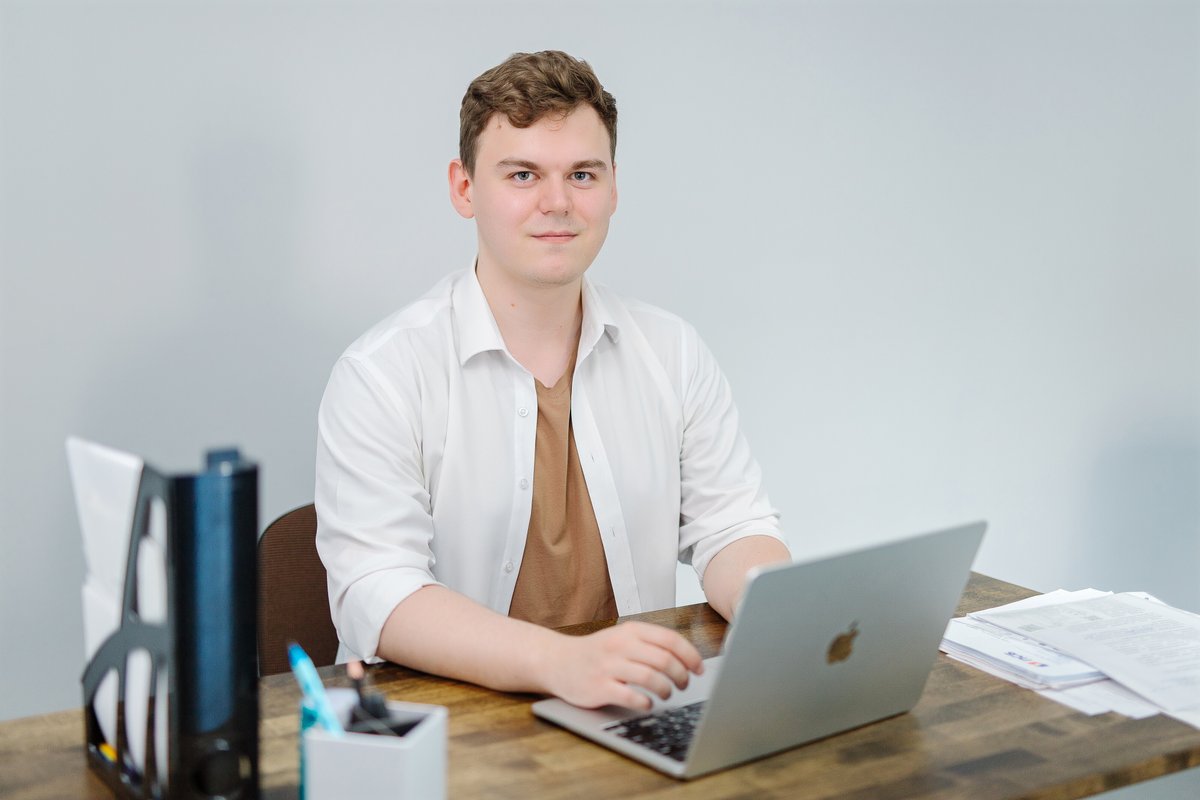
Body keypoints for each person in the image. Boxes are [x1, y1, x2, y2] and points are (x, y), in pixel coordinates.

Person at [315, 50, 790, 711]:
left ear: (614, 188)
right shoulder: (382, 374)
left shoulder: (673, 352)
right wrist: (560, 662)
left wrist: (789, 619)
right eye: (523, 174)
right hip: (449, 728)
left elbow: (732, 526)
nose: (558, 202)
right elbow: (378, 591)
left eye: (583, 175)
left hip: (628, 711)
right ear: (464, 188)